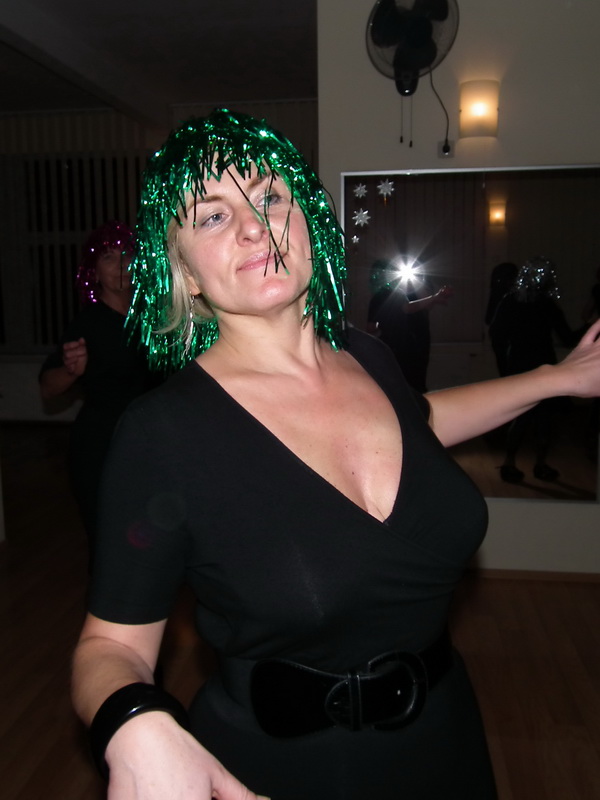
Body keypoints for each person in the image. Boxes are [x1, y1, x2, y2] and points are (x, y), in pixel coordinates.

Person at [71, 110, 600, 800]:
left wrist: (561, 378)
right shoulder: (161, 433)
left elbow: (421, 425)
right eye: (213, 216)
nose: (254, 227)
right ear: (185, 274)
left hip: (445, 736)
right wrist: (134, 724)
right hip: (283, 767)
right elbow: (110, 647)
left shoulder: (367, 356)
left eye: (270, 197)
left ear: (307, 221)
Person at [39, 221, 159, 554]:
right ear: (94, 273)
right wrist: (70, 370)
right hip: (103, 447)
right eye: (108, 257)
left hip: (153, 444)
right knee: (109, 542)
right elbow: (48, 387)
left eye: (127, 254)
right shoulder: (88, 324)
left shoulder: (154, 319)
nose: (121, 264)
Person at [489, 257, 578, 483]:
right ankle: (539, 464)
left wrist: (504, 366)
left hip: (519, 365)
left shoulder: (511, 301)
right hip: (542, 366)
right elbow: (567, 337)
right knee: (543, 418)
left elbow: (496, 334)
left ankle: (510, 464)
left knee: (522, 416)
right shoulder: (546, 304)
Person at [367, 259, 453, 391]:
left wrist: (434, 298)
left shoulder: (385, 296)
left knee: (407, 384)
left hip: (405, 345)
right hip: (403, 347)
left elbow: (371, 327)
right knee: (409, 384)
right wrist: (435, 298)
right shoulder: (388, 295)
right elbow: (407, 308)